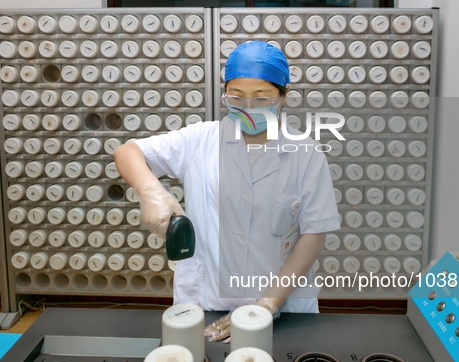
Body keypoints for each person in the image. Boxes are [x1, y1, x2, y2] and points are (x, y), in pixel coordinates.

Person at [114, 41, 340, 342]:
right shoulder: (200, 140)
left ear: (283, 96)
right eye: (237, 97)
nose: (248, 108)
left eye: (261, 99)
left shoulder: (306, 154)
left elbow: (314, 234)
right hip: (206, 302)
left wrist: (266, 305)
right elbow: (128, 152)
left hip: (285, 306)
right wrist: (150, 192)